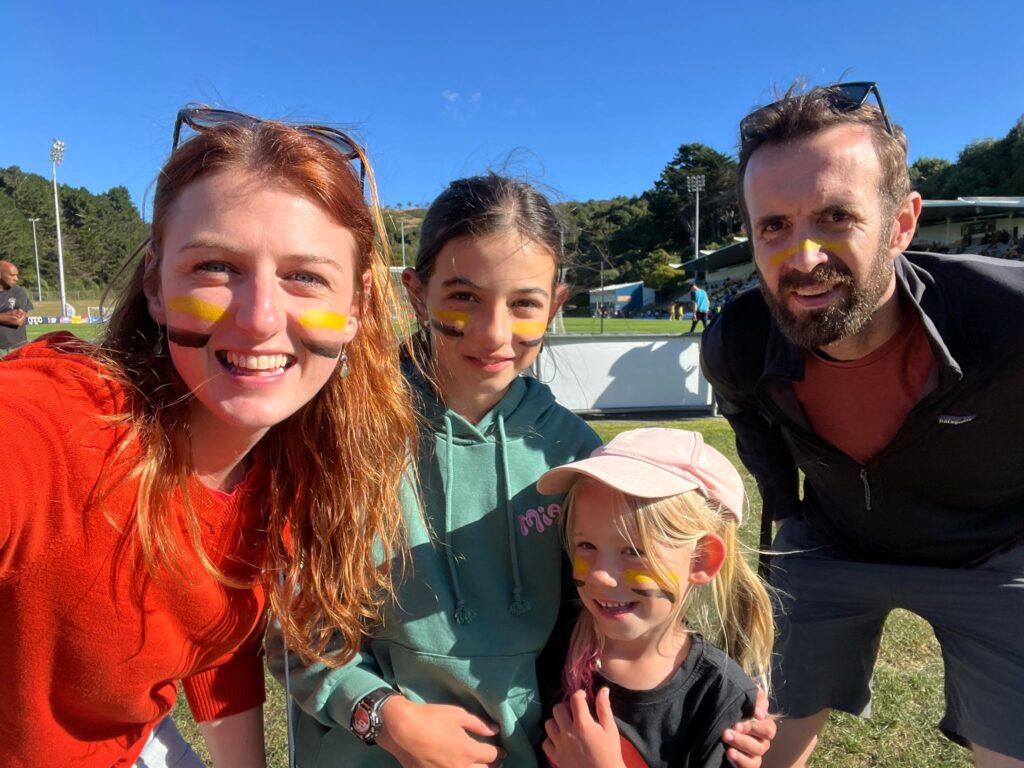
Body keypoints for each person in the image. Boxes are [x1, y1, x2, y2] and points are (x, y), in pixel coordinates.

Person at [275, 175, 776, 768]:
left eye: (524, 304)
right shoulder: (337, 433)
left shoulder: (576, 455)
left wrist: (716, 706)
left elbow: (617, 610)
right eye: (463, 296)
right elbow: (293, 629)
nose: (494, 333)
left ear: (555, 305)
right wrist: (385, 717)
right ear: (416, 292)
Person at [0, 107, 417, 767]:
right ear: (156, 286)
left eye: (305, 277)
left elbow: (219, 642)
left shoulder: (292, 467)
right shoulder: (52, 426)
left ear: (357, 307)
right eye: (216, 267)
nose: (260, 318)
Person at [701, 81, 1024, 768]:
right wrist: (788, 512)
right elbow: (747, 419)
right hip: (833, 542)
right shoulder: (739, 339)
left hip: (996, 554)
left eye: (836, 217)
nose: (803, 258)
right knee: (753, 747)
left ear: (901, 224)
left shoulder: (1008, 316)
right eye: (774, 226)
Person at [538, 428, 774, 768]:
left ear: (701, 560)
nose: (600, 575)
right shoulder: (553, 643)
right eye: (586, 545)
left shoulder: (718, 700)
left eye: (634, 551)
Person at [0, 260, 33, 354]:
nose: (16, 279)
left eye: (17, 275)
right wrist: (6, 315)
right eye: (12, 275)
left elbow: (18, 320)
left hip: (15, 349)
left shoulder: (19, 292)